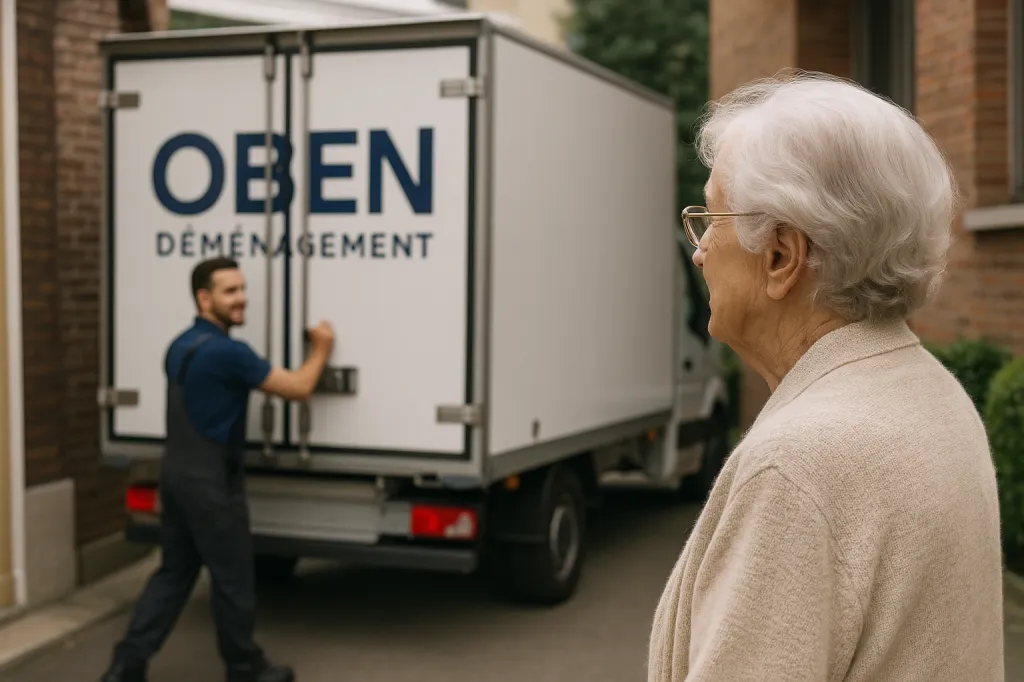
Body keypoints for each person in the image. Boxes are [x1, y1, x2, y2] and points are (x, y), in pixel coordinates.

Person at [647, 72, 1004, 681]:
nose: (700, 250)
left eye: (712, 216)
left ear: (782, 255)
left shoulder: (799, 464)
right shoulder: (931, 390)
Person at [101, 257, 335, 682]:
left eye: (242, 289)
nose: (242, 298)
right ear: (204, 298)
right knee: (233, 579)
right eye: (230, 291)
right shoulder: (229, 352)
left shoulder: (179, 345)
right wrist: (321, 348)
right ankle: (244, 668)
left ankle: (125, 666)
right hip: (211, 483)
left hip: (176, 476)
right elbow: (298, 389)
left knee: (173, 573)